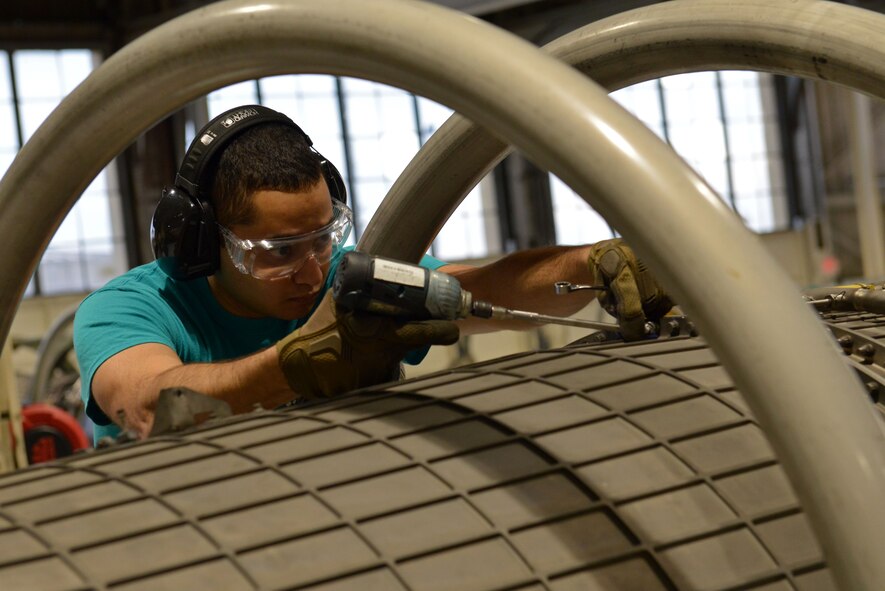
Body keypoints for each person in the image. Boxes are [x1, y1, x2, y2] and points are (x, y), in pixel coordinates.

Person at [74, 104, 672, 443]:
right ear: (205, 243)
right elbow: (146, 407)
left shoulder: (343, 275)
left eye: (322, 239)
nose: (312, 272)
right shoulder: (130, 308)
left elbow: (482, 287)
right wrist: (296, 365)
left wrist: (589, 264)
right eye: (278, 252)